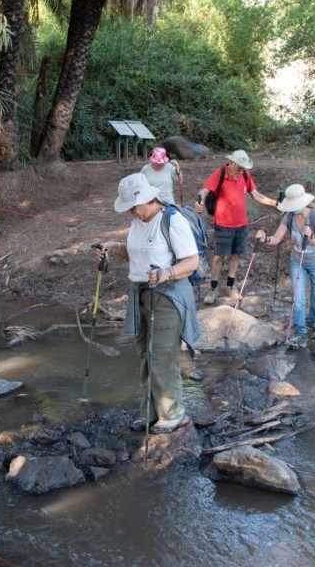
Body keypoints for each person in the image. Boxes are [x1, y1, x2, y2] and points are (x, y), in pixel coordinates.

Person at [96, 173, 200, 434]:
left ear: (148, 199)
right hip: (140, 293)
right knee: (145, 354)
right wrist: (113, 246)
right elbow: (135, 252)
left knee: (163, 355)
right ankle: (151, 412)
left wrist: (167, 273)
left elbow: (191, 261)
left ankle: (174, 414)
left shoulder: (172, 220)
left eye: (133, 206)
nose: (131, 211)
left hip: (168, 294)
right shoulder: (138, 221)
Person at [194, 149, 278, 304]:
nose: (241, 171)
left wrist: (276, 203)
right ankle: (213, 289)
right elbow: (204, 191)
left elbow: (257, 195)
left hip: (241, 225)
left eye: (243, 169)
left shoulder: (245, 176)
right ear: (231, 163)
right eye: (239, 168)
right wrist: (199, 201)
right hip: (223, 224)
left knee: (236, 255)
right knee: (219, 257)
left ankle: (230, 286)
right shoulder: (219, 174)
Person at [256, 184, 315, 348]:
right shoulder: (288, 217)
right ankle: (300, 331)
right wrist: (264, 238)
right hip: (298, 261)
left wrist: (309, 236)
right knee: (298, 299)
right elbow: (276, 239)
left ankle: (314, 320)